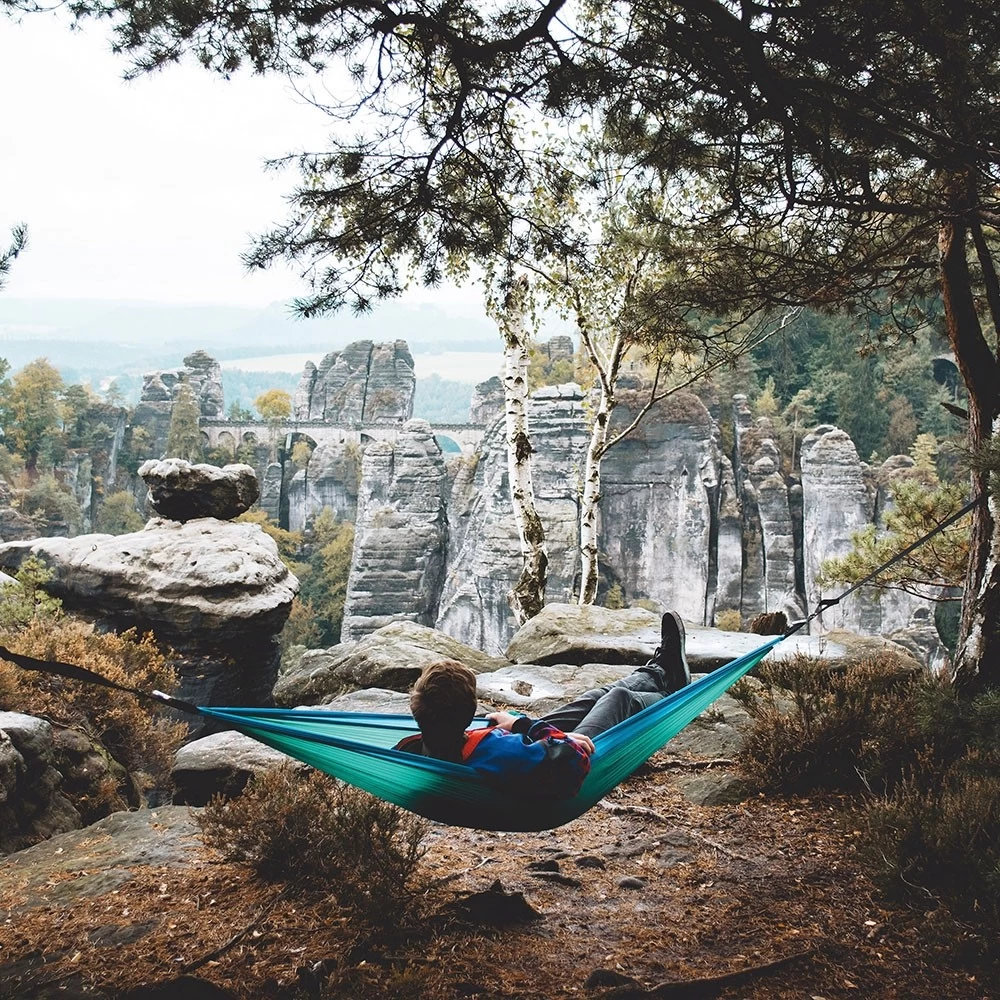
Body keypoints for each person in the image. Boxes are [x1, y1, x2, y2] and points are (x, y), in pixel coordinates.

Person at [395, 611, 691, 799]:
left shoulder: (410, 751)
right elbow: (569, 758)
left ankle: (658, 673)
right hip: (566, 757)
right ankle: (672, 690)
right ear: (468, 710)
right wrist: (524, 725)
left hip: (519, 753)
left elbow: (463, 741)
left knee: (591, 699)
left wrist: (509, 726)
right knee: (618, 699)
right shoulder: (499, 752)